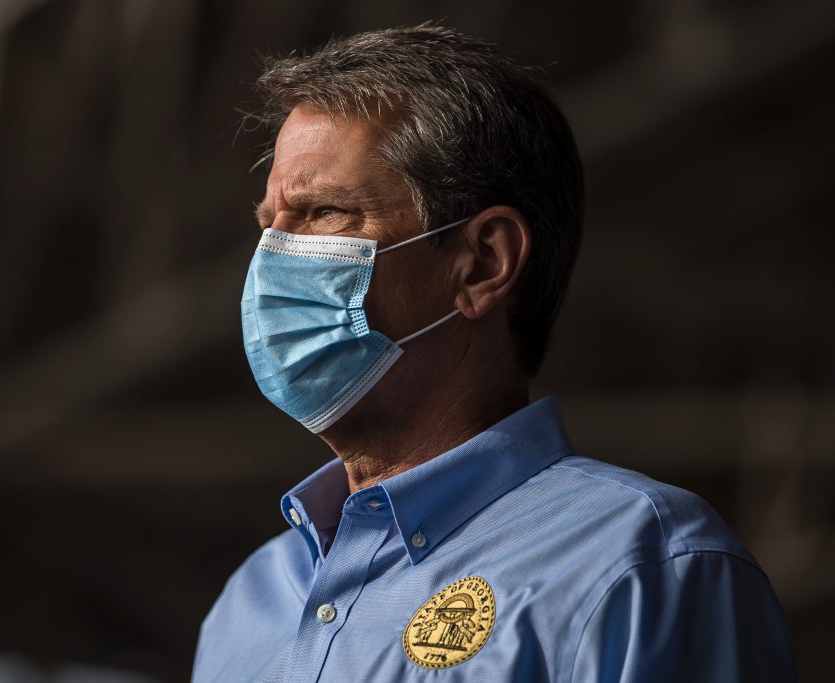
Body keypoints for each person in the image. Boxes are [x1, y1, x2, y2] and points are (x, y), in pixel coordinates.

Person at [193, 24, 795, 682]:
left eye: (324, 212)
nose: (272, 259)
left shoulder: (639, 567)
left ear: (482, 263)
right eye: (269, 223)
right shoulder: (248, 604)